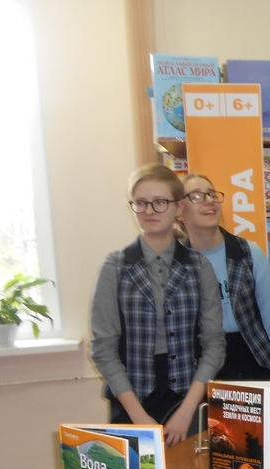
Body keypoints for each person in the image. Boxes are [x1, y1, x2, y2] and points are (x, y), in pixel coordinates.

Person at [90, 164, 225, 445]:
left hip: (186, 398)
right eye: (141, 202)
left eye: (160, 202)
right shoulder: (114, 266)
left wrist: (187, 411)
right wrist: (138, 416)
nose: (149, 210)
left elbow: (214, 343)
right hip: (130, 399)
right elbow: (103, 348)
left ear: (178, 208)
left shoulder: (199, 266)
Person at [178, 173, 270, 381]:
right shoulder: (176, 264)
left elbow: (267, 313)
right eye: (196, 196)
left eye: (212, 194)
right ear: (179, 210)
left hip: (251, 357)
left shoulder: (249, 253)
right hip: (201, 361)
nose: (208, 201)